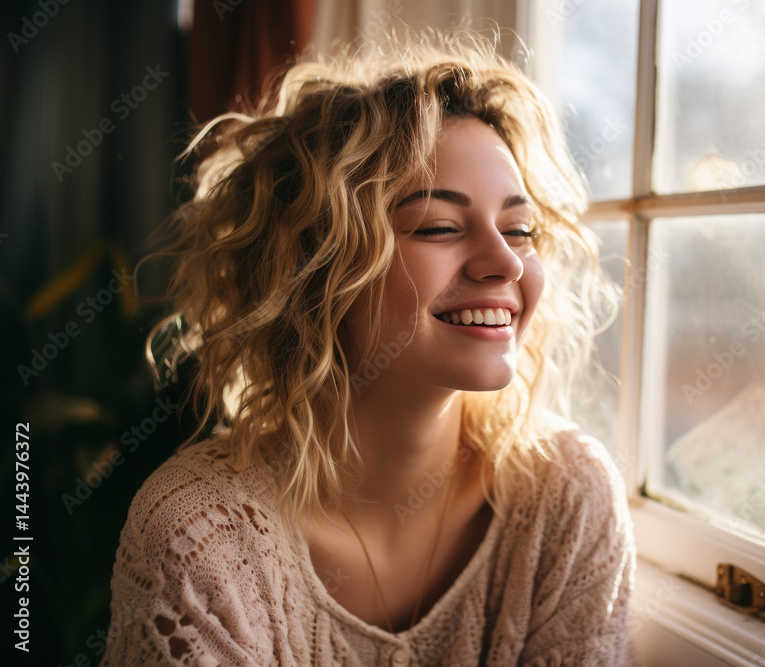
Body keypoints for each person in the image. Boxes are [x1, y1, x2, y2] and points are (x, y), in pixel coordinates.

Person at [103, 28, 636, 666]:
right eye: (439, 226)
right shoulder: (200, 539)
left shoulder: (567, 498)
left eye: (519, 229)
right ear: (313, 268)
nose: (507, 263)